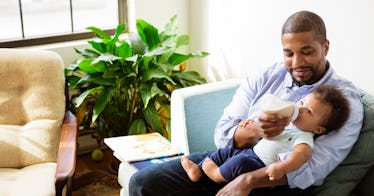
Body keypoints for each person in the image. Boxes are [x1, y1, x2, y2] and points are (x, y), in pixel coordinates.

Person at [129, 10, 364, 196]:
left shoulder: (344, 101)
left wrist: (248, 180)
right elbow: (222, 132)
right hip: (232, 156)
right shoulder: (265, 77)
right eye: (288, 53)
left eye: (307, 52)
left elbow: (313, 167)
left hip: (276, 183)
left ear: (325, 47)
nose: (297, 62)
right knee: (142, 183)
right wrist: (254, 132)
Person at [181, 84, 350, 184]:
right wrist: (248, 124)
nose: (300, 108)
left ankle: (217, 175)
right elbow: (263, 131)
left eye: (309, 111)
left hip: (258, 163)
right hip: (251, 150)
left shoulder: (304, 136)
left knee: (240, 162)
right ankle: (197, 170)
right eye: (302, 102)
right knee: (225, 152)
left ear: (318, 129)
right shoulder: (287, 122)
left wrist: (281, 167)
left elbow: (300, 156)